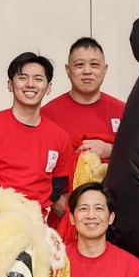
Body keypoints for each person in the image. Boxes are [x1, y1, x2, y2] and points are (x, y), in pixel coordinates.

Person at [0, 52, 74, 218]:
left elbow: (57, 186)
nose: (30, 84)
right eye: (22, 77)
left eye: (38, 79)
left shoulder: (60, 137)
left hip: (35, 226)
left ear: (48, 87)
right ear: (10, 85)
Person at [41, 37, 126, 235]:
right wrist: (53, 198)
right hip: (63, 214)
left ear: (104, 69)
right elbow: (34, 162)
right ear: (67, 70)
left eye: (94, 65)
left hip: (112, 216)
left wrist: (110, 149)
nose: (87, 71)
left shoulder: (123, 111)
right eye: (79, 65)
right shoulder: (48, 114)